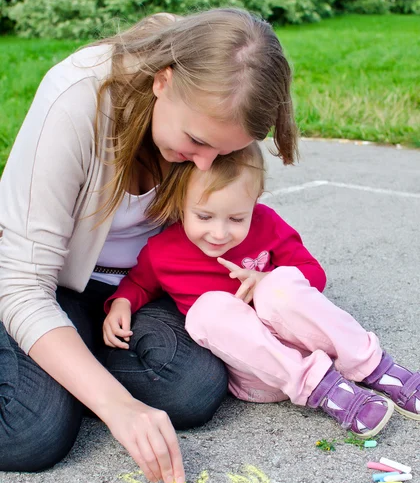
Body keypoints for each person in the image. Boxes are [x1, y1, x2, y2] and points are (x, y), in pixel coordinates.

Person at [0, 9, 299, 483]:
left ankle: (64, 370)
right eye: (197, 142)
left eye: (221, 152)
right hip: (51, 287)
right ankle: (62, 372)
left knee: (194, 390)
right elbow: (21, 284)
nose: (203, 164)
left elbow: (245, 219)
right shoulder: (76, 99)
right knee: (30, 432)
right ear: (163, 82)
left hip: (140, 291)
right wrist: (118, 406)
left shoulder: (210, 98)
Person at [103, 142, 420, 438]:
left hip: (309, 343)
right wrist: (122, 303)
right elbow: (140, 282)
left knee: (278, 285)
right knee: (207, 310)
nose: (219, 232)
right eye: (204, 216)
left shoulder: (266, 224)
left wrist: (266, 278)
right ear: (179, 203)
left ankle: (376, 368)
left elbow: (313, 274)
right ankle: (328, 391)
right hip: (267, 373)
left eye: (237, 218)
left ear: (255, 201)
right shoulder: (162, 252)